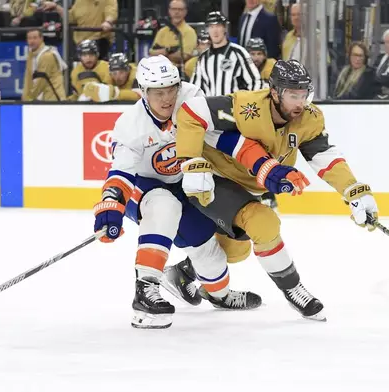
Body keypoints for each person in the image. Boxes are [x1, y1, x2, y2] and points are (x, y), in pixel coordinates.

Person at [174, 60, 379, 321]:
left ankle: (184, 272)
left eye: (304, 95)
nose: (300, 102)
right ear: (274, 92)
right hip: (214, 178)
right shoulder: (246, 106)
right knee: (264, 224)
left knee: (237, 250)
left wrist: (354, 191)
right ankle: (294, 289)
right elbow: (191, 112)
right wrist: (192, 164)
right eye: (293, 95)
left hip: (249, 186)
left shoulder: (309, 118)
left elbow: (324, 156)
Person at [93, 55, 262, 329]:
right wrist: (111, 204)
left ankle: (218, 296)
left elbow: (219, 135)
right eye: (158, 92)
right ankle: (145, 289)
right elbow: (121, 172)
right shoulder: (130, 125)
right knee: (163, 205)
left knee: (210, 255)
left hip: (184, 183)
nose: (166, 98)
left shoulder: (192, 99)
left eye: (171, 89)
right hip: (144, 187)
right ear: (144, 92)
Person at [191, 11, 262, 96]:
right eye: (211, 27)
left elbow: (255, 82)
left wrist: (246, 105)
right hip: (211, 107)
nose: (215, 31)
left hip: (234, 107)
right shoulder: (203, 58)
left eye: (218, 26)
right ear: (207, 30)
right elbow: (195, 88)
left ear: (225, 28)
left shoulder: (239, 52)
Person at [149, 0, 197, 70]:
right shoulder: (162, 31)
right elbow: (151, 52)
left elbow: (184, 56)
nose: (176, 12)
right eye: (174, 9)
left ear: (185, 12)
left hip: (178, 71)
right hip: (158, 71)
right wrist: (170, 51)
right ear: (169, 11)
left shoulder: (189, 32)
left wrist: (164, 52)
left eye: (180, 9)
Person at [22, 28, 67, 101]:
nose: (32, 41)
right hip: (41, 98)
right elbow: (28, 78)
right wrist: (25, 97)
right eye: (29, 38)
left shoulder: (47, 55)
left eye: (35, 38)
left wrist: (29, 98)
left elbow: (41, 80)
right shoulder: (31, 55)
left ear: (41, 38)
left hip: (53, 98)